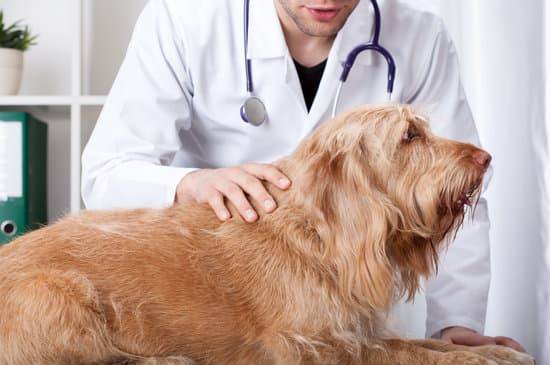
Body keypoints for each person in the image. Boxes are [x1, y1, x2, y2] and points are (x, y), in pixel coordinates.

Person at [82, 0, 525, 351]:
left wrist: (457, 322)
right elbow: (106, 173)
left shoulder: (419, 36)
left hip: (360, 315)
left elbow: (457, 190)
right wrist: (188, 184)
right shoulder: (183, 20)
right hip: (217, 309)